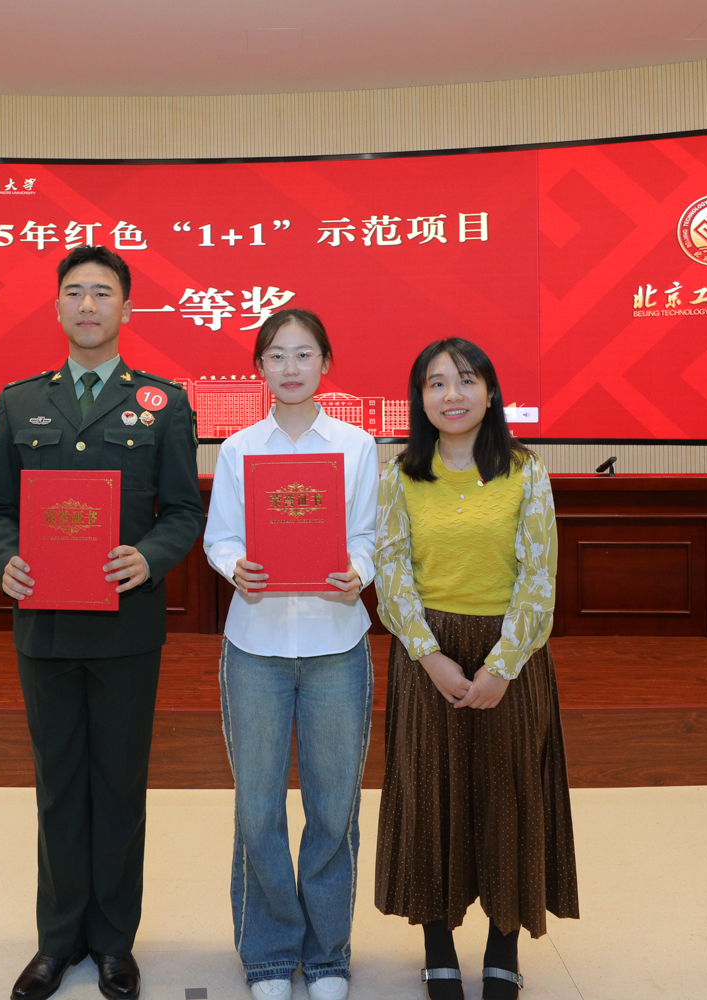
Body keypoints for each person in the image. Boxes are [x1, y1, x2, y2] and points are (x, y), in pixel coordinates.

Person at [0, 244, 205, 1000]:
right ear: (57, 307)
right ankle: (57, 941)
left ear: (126, 308)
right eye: (74, 292)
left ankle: (113, 944)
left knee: (119, 786)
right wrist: (5, 559)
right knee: (58, 784)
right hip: (43, 627)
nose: (87, 305)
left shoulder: (163, 403)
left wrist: (150, 557)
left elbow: (183, 510)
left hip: (124, 628)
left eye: (103, 292)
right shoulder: (19, 403)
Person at [372, 338, 579, 1000]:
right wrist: (428, 655)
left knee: (506, 797)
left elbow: (539, 575)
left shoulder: (525, 471)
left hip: (509, 656)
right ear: (420, 399)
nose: (451, 395)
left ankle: (503, 944)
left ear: (490, 394)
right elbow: (391, 569)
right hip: (427, 653)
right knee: (429, 796)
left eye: (465, 380)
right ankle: (436, 945)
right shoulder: (401, 475)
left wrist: (503, 666)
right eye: (435, 383)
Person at [202, 309, 378, 1000]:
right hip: (257, 645)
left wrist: (357, 572)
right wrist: (236, 567)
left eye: (305, 354)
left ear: (325, 363)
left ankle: (328, 955)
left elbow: (368, 534)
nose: (291, 367)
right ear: (260, 368)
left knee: (334, 808)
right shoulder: (238, 448)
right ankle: (271, 956)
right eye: (277, 355)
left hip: (337, 645)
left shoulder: (358, 445)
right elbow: (221, 538)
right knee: (258, 810)